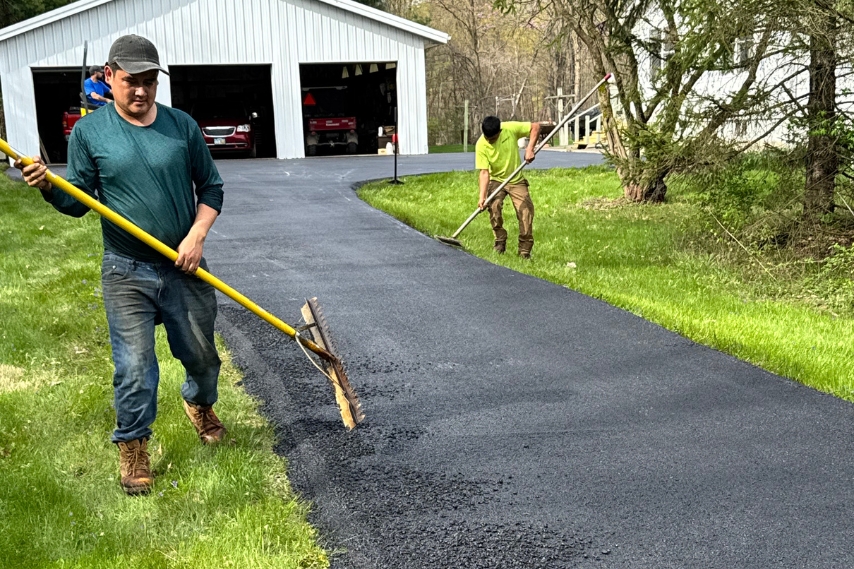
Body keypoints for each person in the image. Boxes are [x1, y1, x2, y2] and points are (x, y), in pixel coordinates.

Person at [15, 34, 226, 496]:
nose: (141, 91)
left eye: (150, 82)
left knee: (203, 358)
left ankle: (200, 403)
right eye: (132, 81)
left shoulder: (181, 126)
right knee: (134, 367)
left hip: (184, 267)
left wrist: (196, 235)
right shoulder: (90, 133)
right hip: (125, 271)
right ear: (109, 77)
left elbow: (211, 189)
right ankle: (133, 446)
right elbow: (79, 204)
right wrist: (50, 187)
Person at [474, 116, 541, 258]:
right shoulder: (481, 144)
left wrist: (530, 149)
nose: (489, 141)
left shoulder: (509, 128)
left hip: (516, 179)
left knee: (525, 212)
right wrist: (482, 196)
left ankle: (524, 250)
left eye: (493, 138)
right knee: (494, 206)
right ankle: (500, 240)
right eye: (487, 138)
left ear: (500, 131)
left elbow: (535, 126)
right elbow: (484, 173)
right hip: (496, 179)